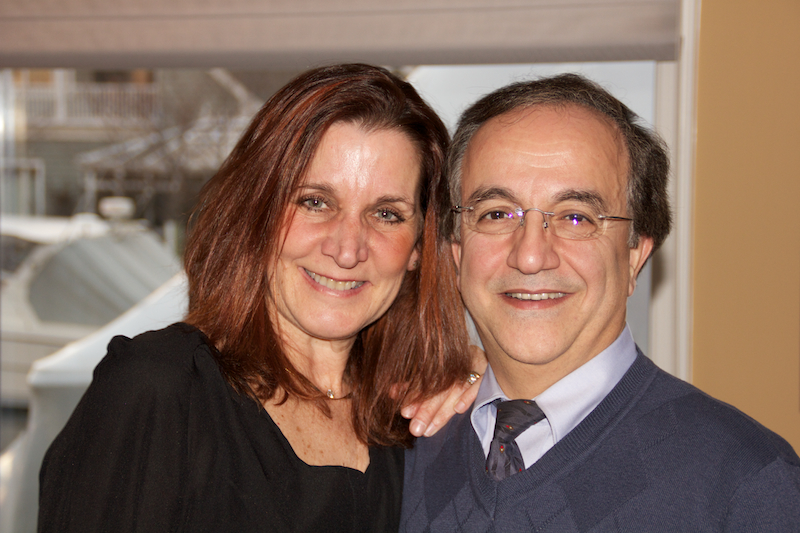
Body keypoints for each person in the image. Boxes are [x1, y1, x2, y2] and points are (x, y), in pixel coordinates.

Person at [38, 64, 477, 532]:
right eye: (315, 202)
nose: (348, 249)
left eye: (386, 214)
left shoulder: (416, 418)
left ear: (419, 247)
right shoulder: (159, 391)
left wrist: (484, 377)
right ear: (258, 213)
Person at [401, 73, 800, 531]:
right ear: (456, 253)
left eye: (576, 217)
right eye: (496, 214)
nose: (530, 255)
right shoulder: (402, 450)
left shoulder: (747, 485)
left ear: (634, 257)